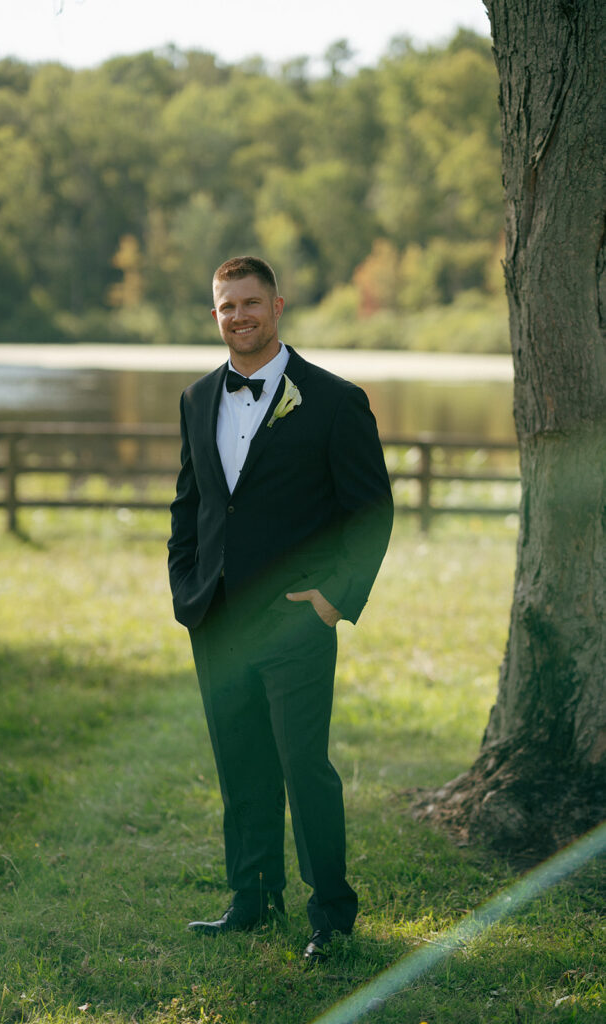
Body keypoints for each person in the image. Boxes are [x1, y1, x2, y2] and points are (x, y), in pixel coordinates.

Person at [167, 255, 393, 962]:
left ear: (278, 305)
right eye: (227, 306)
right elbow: (192, 505)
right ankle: (252, 899)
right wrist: (187, 588)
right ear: (216, 315)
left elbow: (370, 512)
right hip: (218, 617)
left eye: (251, 303)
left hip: (297, 618)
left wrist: (334, 599)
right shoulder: (198, 398)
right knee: (240, 765)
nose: (239, 316)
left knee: (303, 765)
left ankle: (330, 912)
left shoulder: (332, 400)